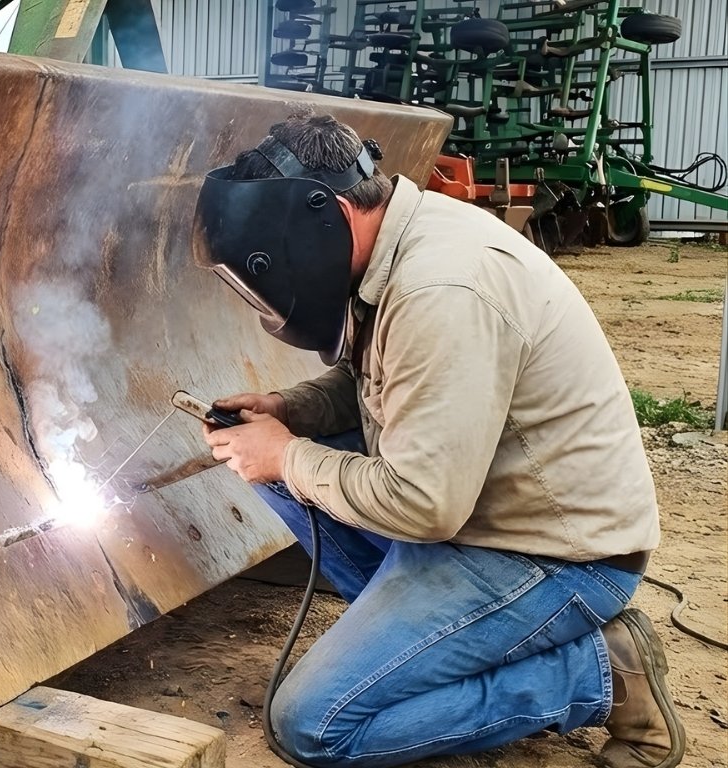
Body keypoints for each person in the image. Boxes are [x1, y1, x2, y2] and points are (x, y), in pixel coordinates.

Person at [190, 111, 683, 768]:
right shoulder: (401, 244)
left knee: (313, 725)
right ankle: (424, 649)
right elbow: (385, 383)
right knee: (280, 465)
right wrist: (286, 409)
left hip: (555, 556)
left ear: (324, 215)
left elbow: (424, 504)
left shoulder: (442, 287)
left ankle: (598, 673)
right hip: (480, 516)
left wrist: (285, 451)